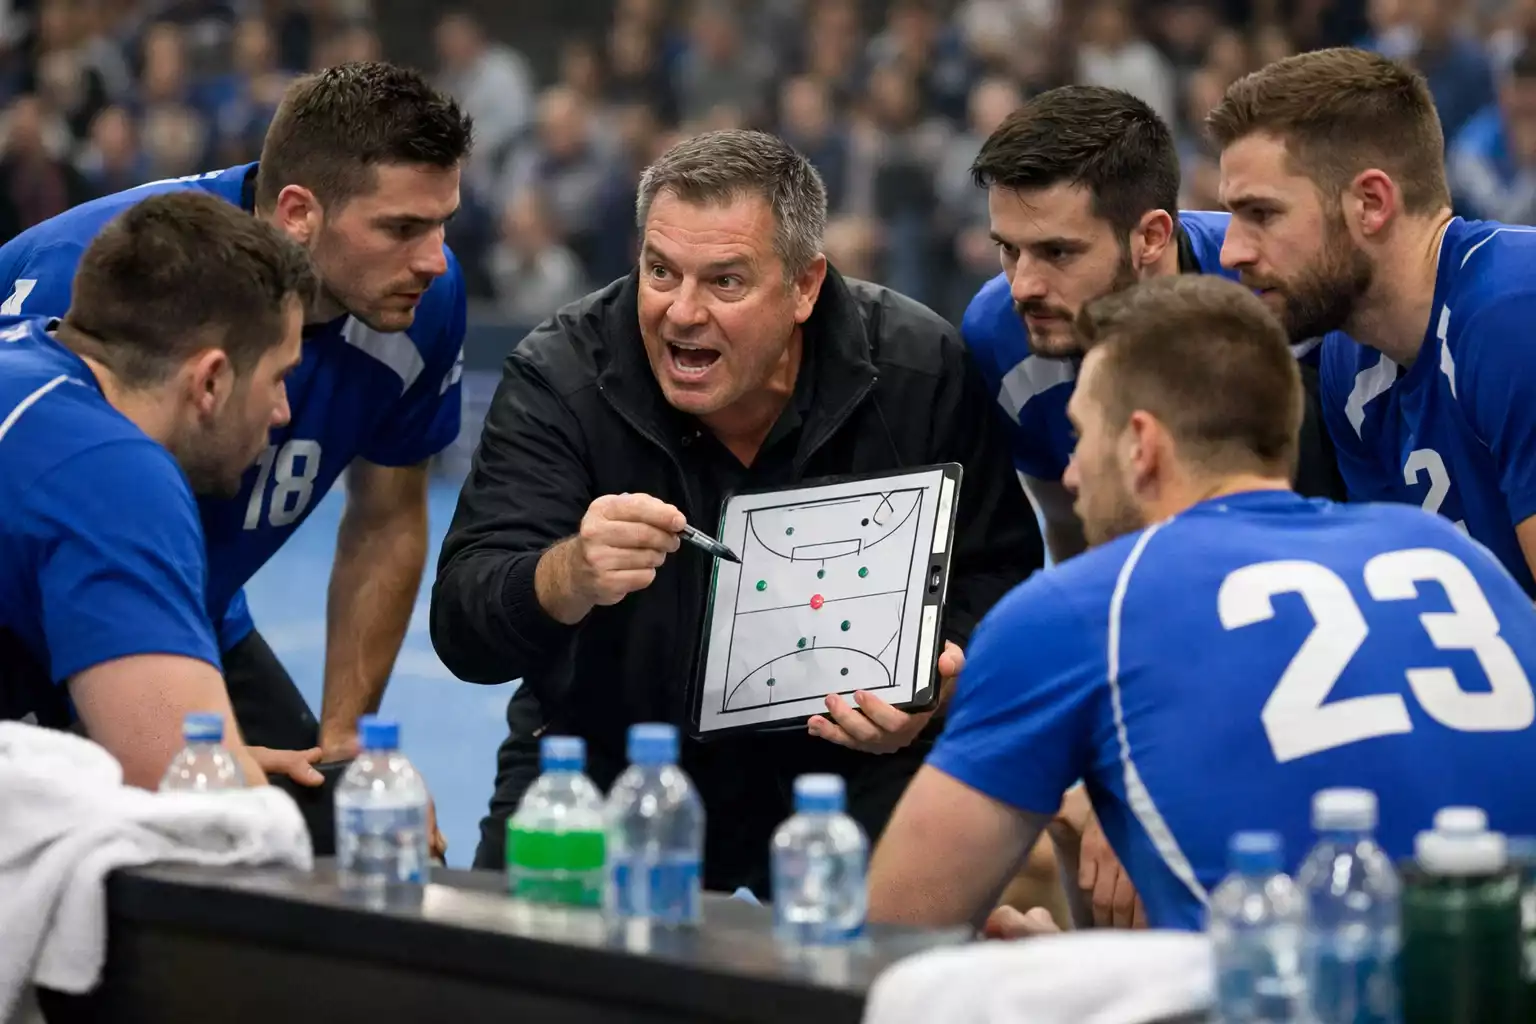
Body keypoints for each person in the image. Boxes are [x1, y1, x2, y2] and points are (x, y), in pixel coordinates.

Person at [430, 129, 1041, 892]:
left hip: (855, 767)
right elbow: (462, 629)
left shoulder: (918, 368)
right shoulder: (560, 378)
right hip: (612, 762)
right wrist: (569, 575)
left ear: (805, 286)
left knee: (933, 978)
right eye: (661, 272)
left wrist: (938, 688)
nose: (682, 313)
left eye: (725, 282)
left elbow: (1001, 582)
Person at [867, 273, 1536, 932]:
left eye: (1080, 438)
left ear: (1141, 445)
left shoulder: (1081, 607)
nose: (1070, 473)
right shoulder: (1449, 552)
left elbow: (893, 931)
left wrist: (1068, 977)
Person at [0, 62, 473, 760]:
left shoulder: (421, 305)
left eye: (442, 224)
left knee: (322, 831)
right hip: (25, 621)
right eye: (402, 226)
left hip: (193, 609)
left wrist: (345, 741)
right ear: (298, 214)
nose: (434, 260)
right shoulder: (93, 271)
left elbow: (385, 519)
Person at [0, 191, 319, 789]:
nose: (281, 411)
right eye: (279, 378)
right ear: (211, 381)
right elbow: (196, 802)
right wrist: (230, 781)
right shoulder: (107, 470)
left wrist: (230, 760)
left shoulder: (20, 356)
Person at [961, 85, 1345, 564]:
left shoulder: (1274, 282)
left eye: (1057, 252)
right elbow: (1068, 525)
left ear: (1151, 237)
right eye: (1009, 249)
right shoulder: (997, 335)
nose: (1023, 287)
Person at [1208, 47, 1536, 596]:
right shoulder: (1350, 354)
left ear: (1371, 202)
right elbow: (1412, 607)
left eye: (1261, 214)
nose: (1231, 252)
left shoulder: (1512, 313)